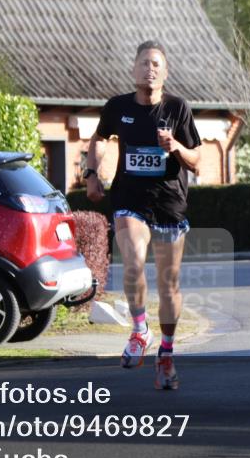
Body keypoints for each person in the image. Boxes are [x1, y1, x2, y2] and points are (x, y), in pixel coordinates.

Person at [84, 40, 201, 390]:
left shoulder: (178, 108)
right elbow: (99, 138)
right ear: (133, 69)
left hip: (169, 204)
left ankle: (166, 353)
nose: (149, 69)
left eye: (156, 64)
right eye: (144, 63)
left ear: (165, 73)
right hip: (129, 200)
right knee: (133, 262)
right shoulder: (117, 107)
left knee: (168, 284)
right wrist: (92, 173)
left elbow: (197, 160)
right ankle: (139, 331)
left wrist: (176, 147)